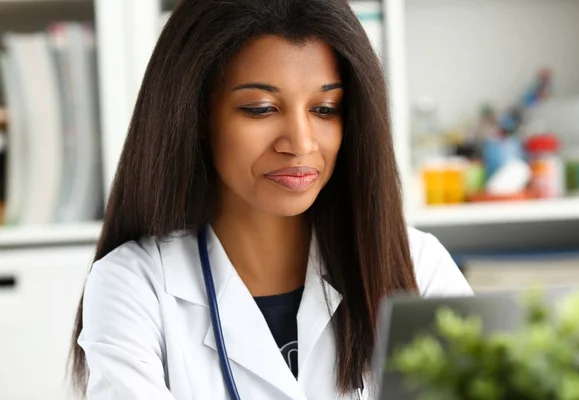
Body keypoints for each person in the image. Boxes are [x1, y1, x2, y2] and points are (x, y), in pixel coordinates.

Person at [70, 0, 472, 399]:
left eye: (324, 108)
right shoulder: (133, 285)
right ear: (197, 116)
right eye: (261, 109)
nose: (300, 142)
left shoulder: (419, 266)